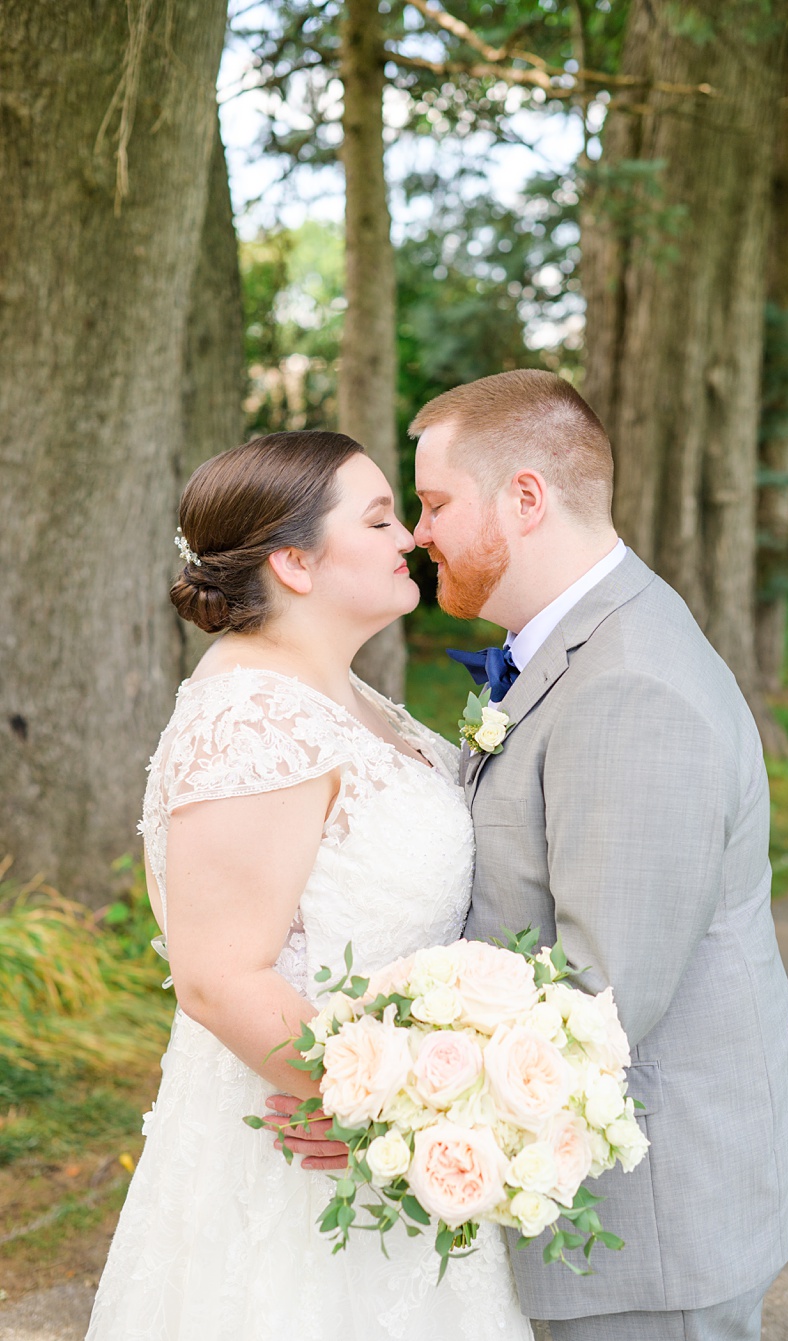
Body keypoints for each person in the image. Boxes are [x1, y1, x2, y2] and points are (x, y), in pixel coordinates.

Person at [88, 431, 535, 1339]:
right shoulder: (256, 717)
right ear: (295, 561)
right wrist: (387, 1120)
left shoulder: (343, 693)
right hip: (307, 1169)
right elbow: (221, 975)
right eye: (377, 518)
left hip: (389, 1151)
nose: (409, 533)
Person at [410, 370, 788, 1341]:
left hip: (654, 1222)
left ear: (525, 496)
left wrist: (400, 1089)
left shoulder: (631, 688)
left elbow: (600, 1005)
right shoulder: (579, 647)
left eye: (433, 502)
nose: (419, 532)